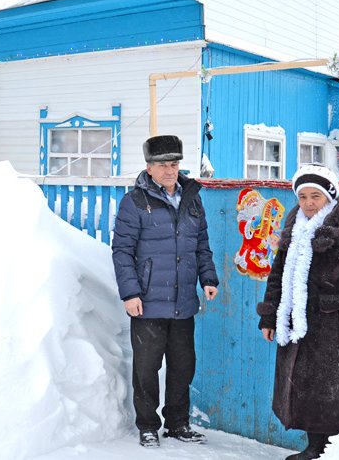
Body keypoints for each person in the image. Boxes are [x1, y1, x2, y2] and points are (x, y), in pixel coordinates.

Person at [256, 164, 339, 459]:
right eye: (303, 197)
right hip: (298, 323)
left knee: (334, 393)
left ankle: (336, 451)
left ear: (330, 197)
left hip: (333, 327)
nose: (309, 203)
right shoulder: (294, 229)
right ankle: (314, 447)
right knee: (305, 390)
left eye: (316, 196)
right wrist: (270, 316)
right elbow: (278, 276)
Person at [112, 135, 220, 448]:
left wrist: (208, 279)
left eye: (174, 164)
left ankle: (177, 423)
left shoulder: (191, 198)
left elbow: (201, 244)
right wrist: (130, 293)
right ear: (149, 167)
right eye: (162, 165)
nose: (170, 171)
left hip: (184, 302)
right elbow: (122, 250)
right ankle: (148, 425)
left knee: (183, 365)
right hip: (147, 303)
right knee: (146, 369)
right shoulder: (135, 202)